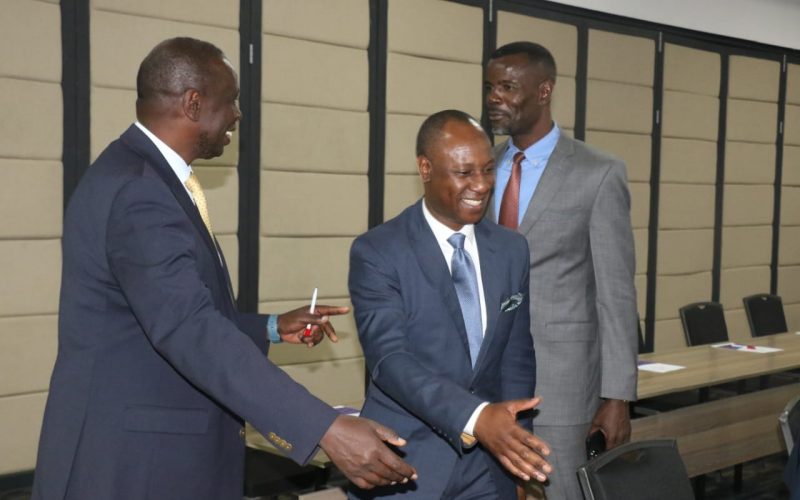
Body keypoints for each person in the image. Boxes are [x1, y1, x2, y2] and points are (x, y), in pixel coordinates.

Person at [32, 37, 416, 500]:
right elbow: (187, 328)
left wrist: (271, 327)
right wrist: (322, 427)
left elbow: (161, 313)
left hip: (146, 452)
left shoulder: (143, 176)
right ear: (194, 103)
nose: (237, 114)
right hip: (137, 463)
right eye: (231, 101)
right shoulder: (141, 193)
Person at [348, 110, 552, 499]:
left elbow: (515, 357)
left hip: (490, 468)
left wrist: (518, 453)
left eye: (489, 170)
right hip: (408, 462)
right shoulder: (379, 251)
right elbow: (390, 361)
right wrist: (477, 418)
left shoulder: (511, 249)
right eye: (464, 173)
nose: (481, 185)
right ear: (425, 168)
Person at [484, 42, 638, 499]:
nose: (495, 98)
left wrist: (617, 397)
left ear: (544, 90)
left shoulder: (599, 172)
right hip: (485, 381)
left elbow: (616, 292)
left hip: (563, 381)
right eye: (490, 87)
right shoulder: (481, 168)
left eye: (508, 87)